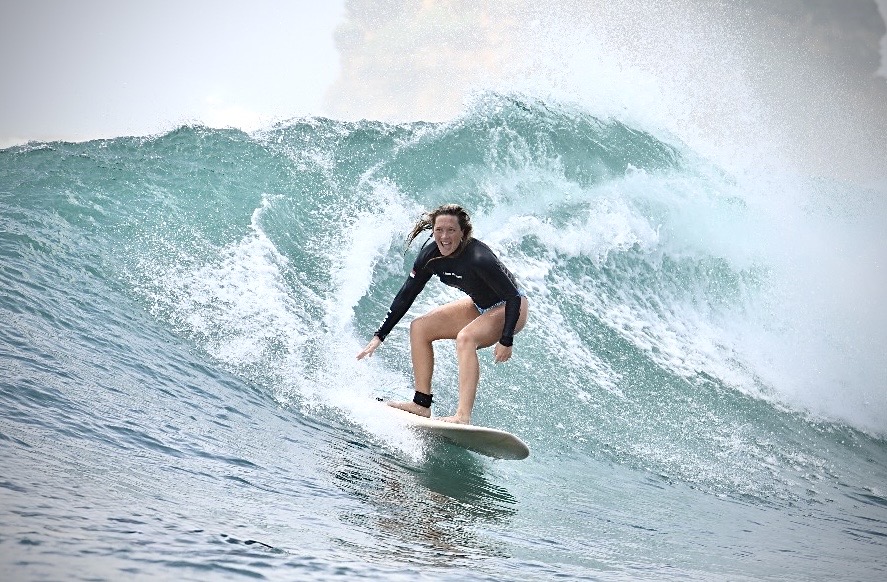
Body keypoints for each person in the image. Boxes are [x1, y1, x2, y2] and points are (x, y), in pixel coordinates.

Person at [356, 204, 529, 424]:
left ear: (463, 233)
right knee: (420, 327)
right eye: (439, 230)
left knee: (466, 338)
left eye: (451, 230)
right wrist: (380, 335)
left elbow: (513, 296)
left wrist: (506, 339)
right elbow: (406, 294)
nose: (444, 237)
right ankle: (421, 404)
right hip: (480, 305)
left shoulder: (479, 257)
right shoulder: (430, 256)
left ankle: (462, 416)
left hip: (512, 306)